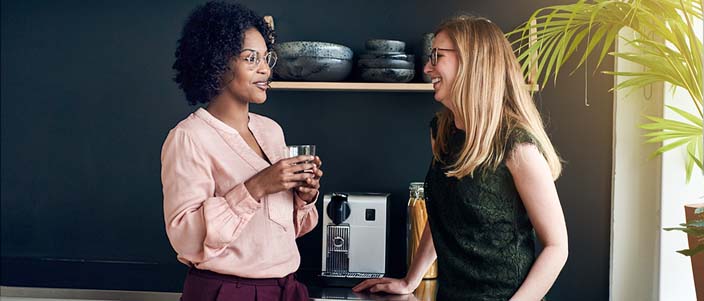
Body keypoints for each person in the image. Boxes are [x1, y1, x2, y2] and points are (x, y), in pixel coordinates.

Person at [353, 15, 568, 301]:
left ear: (471, 61)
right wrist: (409, 280)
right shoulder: (442, 133)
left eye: (437, 56)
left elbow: (557, 247)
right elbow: (443, 215)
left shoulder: (516, 146)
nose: (428, 68)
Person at [161, 2, 323, 300]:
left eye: (266, 58)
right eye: (251, 59)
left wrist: (303, 196)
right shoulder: (188, 137)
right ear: (217, 63)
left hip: (286, 288)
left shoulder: (271, 131)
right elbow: (184, 239)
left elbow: (277, 231)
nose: (265, 69)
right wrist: (257, 186)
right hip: (226, 292)